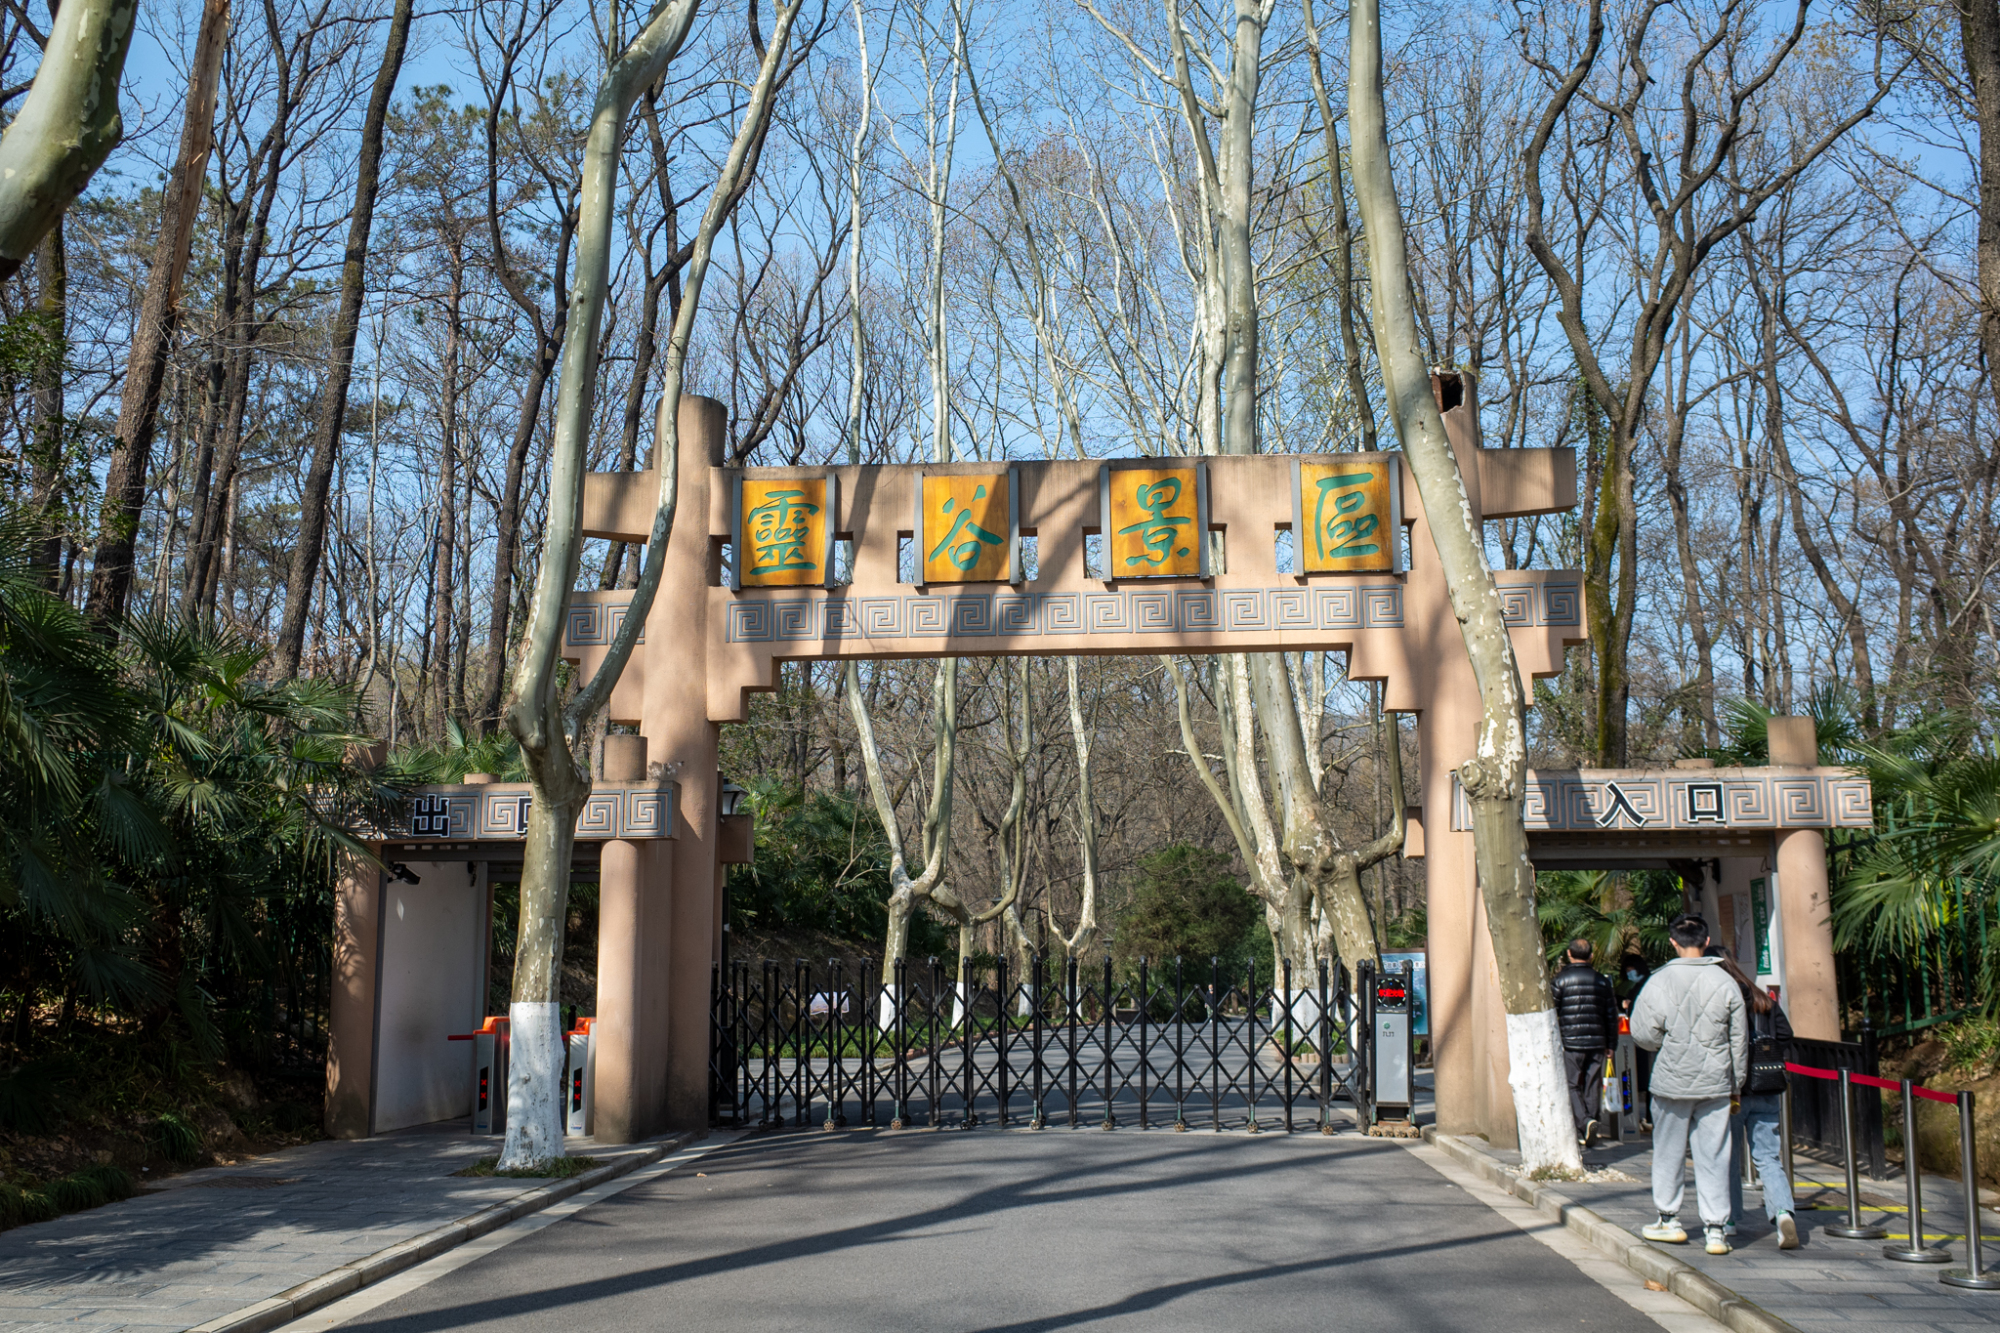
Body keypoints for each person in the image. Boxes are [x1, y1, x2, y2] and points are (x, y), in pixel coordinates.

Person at [1629, 913, 1747, 1256]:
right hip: (1716, 1083)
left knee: (1668, 1152)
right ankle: (1716, 1230)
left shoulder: (1658, 981)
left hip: (1672, 1081)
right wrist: (1736, 1082)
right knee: (1715, 1155)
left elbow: (1643, 1033)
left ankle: (1668, 1219)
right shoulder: (1726, 983)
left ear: (1673, 942)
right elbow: (1739, 1040)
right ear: (1707, 942)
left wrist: (1665, 1043)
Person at [1716, 951, 1799, 1249]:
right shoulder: (1763, 999)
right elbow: (1785, 1035)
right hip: (1767, 1088)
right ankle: (1782, 1212)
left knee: (1728, 1156)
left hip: (1733, 1091)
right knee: (1768, 1157)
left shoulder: (1721, 999)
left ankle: (1729, 1220)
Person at [1552, 938, 1618, 1146]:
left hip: (1570, 1043)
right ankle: (1592, 1126)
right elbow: (1611, 1014)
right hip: (1598, 1042)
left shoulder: (1559, 980)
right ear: (1590, 956)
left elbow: (1552, 1013)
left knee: (1571, 1085)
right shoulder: (1602, 981)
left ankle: (1585, 1121)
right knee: (1592, 1085)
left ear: (1569, 955)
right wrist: (1611, 1044)